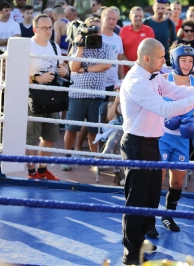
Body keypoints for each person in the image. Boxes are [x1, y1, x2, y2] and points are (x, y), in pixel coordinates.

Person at [120, 38, 194, 265]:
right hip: (137, 143)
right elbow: (165, 108)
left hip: (152, 141)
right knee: (136, 198)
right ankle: (130, 252)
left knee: (150, 195)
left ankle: (144, 236)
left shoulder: (155, 75)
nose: (164, 61)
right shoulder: (136, 81)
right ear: (146, 58)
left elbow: (176, 90)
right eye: (160, 57)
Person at [152, 44, 194, 235]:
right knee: (158, 178)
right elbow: (152, 103)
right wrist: (163, 117)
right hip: (163, 136)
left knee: (177, 183)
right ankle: (149, 218)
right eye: (184, 60)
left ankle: (168, 214)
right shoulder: (165, 79)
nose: (188, 64)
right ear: (175, 60)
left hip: (182, 138)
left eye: (191, 61)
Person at [61, 16, 112, 171]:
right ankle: (67, 158)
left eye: (97, 29)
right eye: (91, 29)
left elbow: (106, 65)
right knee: (71, 127)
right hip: (77, 93)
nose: (94, 33)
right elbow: (73, 67)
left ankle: (95, 161)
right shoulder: (77, 45)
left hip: (96, 93)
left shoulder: (106, 45)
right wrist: (81, 46)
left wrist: (86, 69)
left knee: (93, 130)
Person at [27, 14, 69, 180]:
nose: (48, 31)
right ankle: (31, 173)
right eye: (44, 28)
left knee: (50, 135)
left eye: (50, 27)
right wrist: (36, 78)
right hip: (34, 95)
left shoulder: (54, 46)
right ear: (35, 29)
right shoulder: (27, 46)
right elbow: (15, 72)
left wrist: (64, 72)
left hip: (52, 95)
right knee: (31, 137)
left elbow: (60, 68)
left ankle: (42, 171)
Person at [120, 6, 154, 75]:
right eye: (136, 16)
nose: (138, 18)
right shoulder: (123, 30)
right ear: (130, 16)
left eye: (140, 16)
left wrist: (140, 66)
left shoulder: (149, 30)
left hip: (144, 70)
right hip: (126, 71)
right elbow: (120, 51)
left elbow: (151, 51)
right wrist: (130, 65)